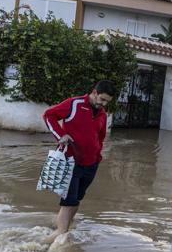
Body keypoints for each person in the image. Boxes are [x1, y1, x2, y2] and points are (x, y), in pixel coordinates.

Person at [42, 80, 116, 242]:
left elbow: (100, 137)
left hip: (91, 163)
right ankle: (58, 236)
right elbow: (49, 115)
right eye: (102, 99)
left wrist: (97, 156)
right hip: (70, 161)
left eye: (107, 102)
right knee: (69, 201)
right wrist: (60, 135)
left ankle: (65, 226)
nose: (103, 104)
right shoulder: (74, 104)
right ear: (94, 92)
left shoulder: (102, 114)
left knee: (77, 199)